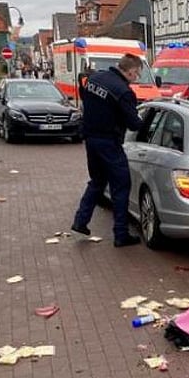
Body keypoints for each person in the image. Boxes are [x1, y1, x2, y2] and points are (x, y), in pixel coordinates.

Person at [71, 53, 144, 246]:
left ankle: (80, 221)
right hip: (109, 143)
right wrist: (143, 120)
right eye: (137, 74)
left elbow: (86, 98)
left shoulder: (95, 78)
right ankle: (121, 235)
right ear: (131, 71)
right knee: (121, 186)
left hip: (90, 139)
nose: (136, 78)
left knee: (97, 181)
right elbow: (135, 124)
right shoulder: (123, 91)